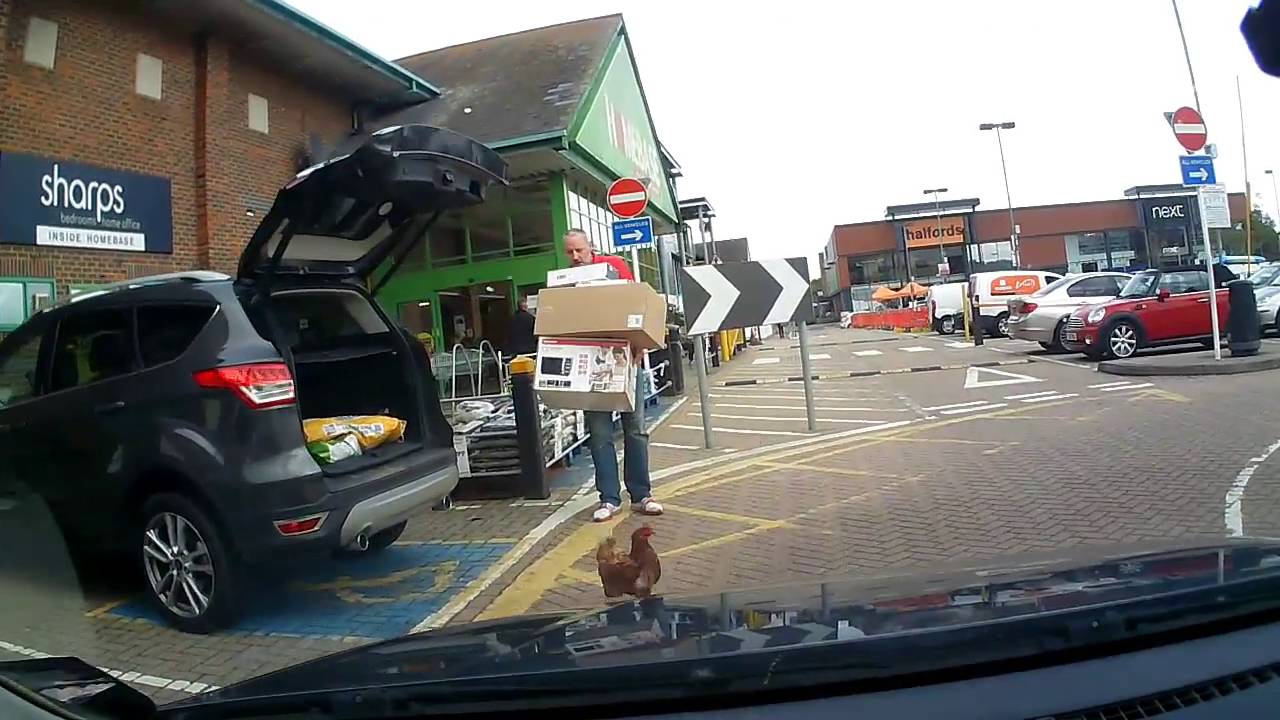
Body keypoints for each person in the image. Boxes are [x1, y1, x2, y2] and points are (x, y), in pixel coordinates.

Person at [562, 228, 663, 521]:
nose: (575, 257)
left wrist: (641, 345)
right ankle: (608, 498)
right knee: (600, 434)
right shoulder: (566, 282)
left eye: (579, 250)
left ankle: (641, 494)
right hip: (590, 367)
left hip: (626, 359)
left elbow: (635, 304)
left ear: (590, 247)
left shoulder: (615, 267)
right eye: (569, 252)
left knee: (636, 429)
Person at [507, 292, 538, 358]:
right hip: (530, 350)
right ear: (526, 306)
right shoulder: (531, 318)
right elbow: (536, 333)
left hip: (516, 351)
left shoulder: (511, 319)